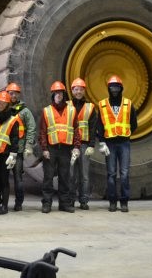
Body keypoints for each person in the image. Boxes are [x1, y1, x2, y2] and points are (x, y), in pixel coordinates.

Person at [97, 74, 138, 213]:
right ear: (108, 89)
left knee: (125, 173)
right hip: (110, 144)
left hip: (124, 143)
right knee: (111, 174)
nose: (114, 89)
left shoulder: (128, 104)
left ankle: (124, 202)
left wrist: (126, 133)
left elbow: (134, 123)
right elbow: (100, 125)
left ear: (121, 88)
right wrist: (102, 142)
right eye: (112, 87)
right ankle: (112, 201)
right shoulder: (102, 105)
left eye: (116, 87)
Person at [38, 81, 76, 214]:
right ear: (53, 95)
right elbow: (42, 131)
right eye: (56, 93)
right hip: (51, 149)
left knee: (65, 177)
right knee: (48, 177)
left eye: (61, 93)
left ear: (64, 95)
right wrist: (44, 149)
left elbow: (76, 130)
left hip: (65, 149)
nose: (59, 95)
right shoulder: (47, 111)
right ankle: (47, 203)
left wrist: (76, 146)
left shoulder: (71, 110)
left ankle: (64, 204)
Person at [5, 82, 37, 211]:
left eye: (15, 93)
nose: (12, 95)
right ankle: (2, 202)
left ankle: (19, 203)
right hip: (4, 150)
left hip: (18, 150)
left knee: (18, 178)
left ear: (19, 95)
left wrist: (29, 145)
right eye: (10, 93)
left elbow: (31, 128)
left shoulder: (25, 112)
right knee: (3, 178)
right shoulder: (3, 108)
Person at [0, 90, 22, 215]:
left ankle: (4, 206)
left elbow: (15, 139)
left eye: (4, 103)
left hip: (6, 155)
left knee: (4, 180)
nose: (1, 105)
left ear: (8, 104)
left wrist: (13, 156)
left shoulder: (13, 120)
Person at [69, 77, 99, 210]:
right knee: (71, 174)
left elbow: (93, 127)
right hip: (70, 146)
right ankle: (70, 200)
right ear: (72, 91)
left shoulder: (90, 107)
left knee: (84, 175)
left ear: (84, 91)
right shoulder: (67, 105)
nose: (78, 92)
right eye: (76, 89)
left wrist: (92, 145)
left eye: (81, 89)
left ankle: (84, 201)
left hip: (84, 145)